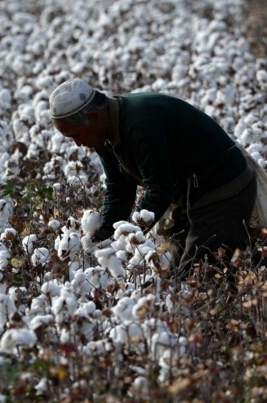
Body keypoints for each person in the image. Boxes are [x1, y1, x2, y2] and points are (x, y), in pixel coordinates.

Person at [49, 79, 257, 271]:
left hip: (223, 191)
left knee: (198, 275)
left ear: (93, 117)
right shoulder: (103, 133)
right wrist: (103, 236)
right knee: (169, 272)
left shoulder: (139, 124)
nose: (77, 143)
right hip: (188, 196)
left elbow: (159, 189)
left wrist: (129, 237)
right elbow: (119, 189)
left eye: (75, 135)